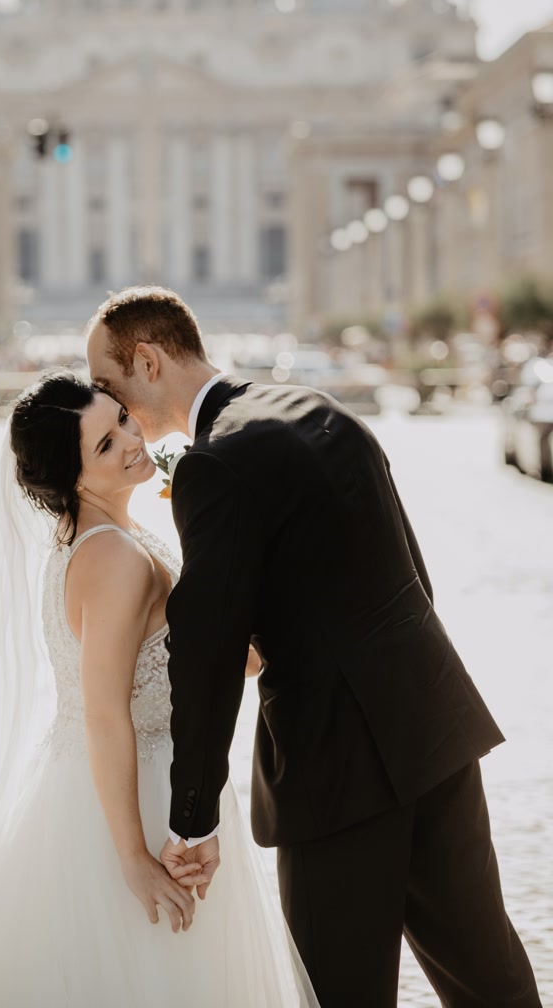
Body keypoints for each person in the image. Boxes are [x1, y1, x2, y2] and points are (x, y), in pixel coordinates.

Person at [86, 285, 542, 1008]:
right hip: (432, 723)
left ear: (146, 361)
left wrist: (192, 817)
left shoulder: (216, 465)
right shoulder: (321, 409)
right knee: (491, 979)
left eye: (108, 386)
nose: (109, 404)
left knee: (339, 994)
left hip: (337, 769)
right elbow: (411, 576)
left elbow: (207, 655)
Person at [0, 370, 317, 1007]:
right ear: (71, 478)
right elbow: (103, 712)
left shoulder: (105, 541)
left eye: (120, 417)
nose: (129, 438)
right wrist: (133, 857)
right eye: (104, 444)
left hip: (126, 779)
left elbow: (226, 657)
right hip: (135, 797)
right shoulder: (113, 559)